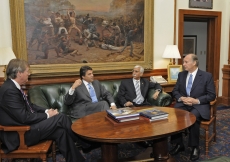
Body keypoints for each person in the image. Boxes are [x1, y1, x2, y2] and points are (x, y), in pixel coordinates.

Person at [0, 59, 88, 162]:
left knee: (60, 132)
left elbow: (30, 106)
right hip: (19, 135)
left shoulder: (12, 87)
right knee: (60, 118)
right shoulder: (9, 90)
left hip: (25, 128)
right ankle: (85, 143)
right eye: (27, 71)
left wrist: (47, 111)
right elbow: (24, 117)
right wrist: (48, 116)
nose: (29, 73)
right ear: (19, 73)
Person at [169, 54, 216, 161]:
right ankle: (178, 144)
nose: (183, 64)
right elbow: (175, 91)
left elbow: (211, 95)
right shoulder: (181, 75)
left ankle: (195, 147)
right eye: (183, 62)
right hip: (183, 104)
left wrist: (196, 100)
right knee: (175, 115)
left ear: (194, 63)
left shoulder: (206, 76)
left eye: (186, 62)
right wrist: (181, 98)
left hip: (199, 105)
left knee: (192, 117)